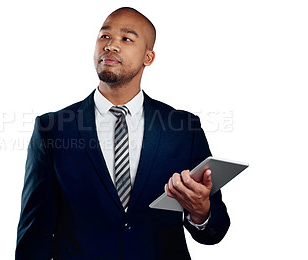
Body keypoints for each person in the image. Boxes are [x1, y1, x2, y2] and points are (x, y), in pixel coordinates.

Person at [16, 7, 230, 260]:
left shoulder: (184, 128)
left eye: (126, 39)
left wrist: (200, 212)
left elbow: (215, 230)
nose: (111, 46)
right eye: (104, 36)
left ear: (148, 57)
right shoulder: (52, 128)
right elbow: (34, 231)